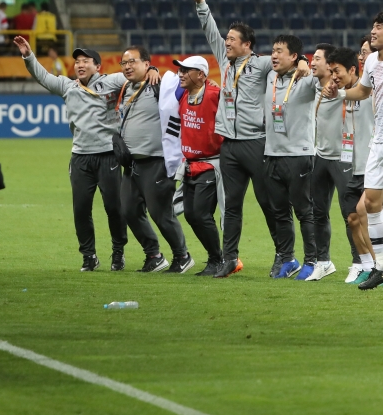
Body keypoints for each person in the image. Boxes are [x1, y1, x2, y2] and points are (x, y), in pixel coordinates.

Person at [181, 0, 309, 278]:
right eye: (226, 39)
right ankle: (230, 258)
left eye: (232, 40)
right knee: (231, 207)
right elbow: (209, 30)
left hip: (257, 144)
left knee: (270, 204)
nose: (226, 43)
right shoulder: (225, 62)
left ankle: (284, 256)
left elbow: (289, 62)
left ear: (247, 44)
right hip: (230, 147)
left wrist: (302, 61)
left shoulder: (263, 64)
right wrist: (201, 2)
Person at [14, 36, 159, 271]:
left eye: (86, 61)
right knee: (81, 209)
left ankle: (118, 252)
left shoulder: (110, 81)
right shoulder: (67, 86)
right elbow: (43, 77)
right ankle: (89, 256)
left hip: (108, 155)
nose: (80, 65)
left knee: (114, 208)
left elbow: (136, 73)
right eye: (77, 61)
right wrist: (28, 56)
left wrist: (151, 68)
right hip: (80, 157)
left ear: (97, 67)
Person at [329, 11, 383, 290]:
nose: (372, 32)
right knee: (371, 205)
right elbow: (363, 92)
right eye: (373, 27)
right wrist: (337, 94)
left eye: (378, 27)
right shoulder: (373, 60)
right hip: (379, 142)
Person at [115, 46, 194, 274]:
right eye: (124, 63)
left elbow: (181, 84)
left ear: (147, 63)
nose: (128, 66)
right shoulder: (125, 88)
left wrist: (158, 72)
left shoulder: (160, 85)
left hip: (157, 161)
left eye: (133, 61)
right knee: (129, 210)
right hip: (132, 164)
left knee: (161, 214)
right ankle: (154, 256)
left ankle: (182, 256)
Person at [264, 34, 318, 280]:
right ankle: (288, 260)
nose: (274, 55)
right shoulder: (270, 76)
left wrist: (306, 63)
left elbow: (325, 72)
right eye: (273, 50)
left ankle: (311, 261)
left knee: (304, 211)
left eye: (279, 51)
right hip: (272, 154)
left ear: (293, 56)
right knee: (279, 212)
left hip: (299, 155)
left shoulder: (307, 81)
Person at [308, 43, 360, 281]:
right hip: (321, 156)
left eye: (318, 59)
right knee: (318, 212)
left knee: (349, 214)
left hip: (344, 159)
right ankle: (323, 261)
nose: (313, 62)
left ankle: (358, 262)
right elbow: (297, 63)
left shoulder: (348, 89)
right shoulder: (315, 87)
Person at [327, 46, 377, 284]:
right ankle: (366, 265)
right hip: (353, 167)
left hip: (372, 165)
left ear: (352, 70)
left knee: (368, 215)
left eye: (337, 71)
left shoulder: (370, 92)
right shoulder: (338, 93)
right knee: (352, 219)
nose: (334, 76)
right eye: (331, 72)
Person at [172, 55, 225, 276]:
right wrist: (154, 68)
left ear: (201, 75)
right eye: (180, 70)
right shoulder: (182, 94)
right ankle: (217, 257)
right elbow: (161, 80)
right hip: (190, 165)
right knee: (192, 215)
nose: (181, 74)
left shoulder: (216, 95)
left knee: (201, 215)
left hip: (211, 165)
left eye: (186, 70)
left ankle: (218, 259)